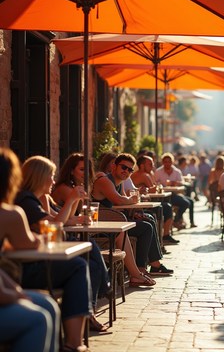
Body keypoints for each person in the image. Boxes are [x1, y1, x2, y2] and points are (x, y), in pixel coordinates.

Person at [51, 154, 154, 315]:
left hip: (78, 233)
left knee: (146, 225)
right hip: (66, 238)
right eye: (81, 169)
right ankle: (115, 283)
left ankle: (131, 274)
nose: (126, 171)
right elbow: (64, 219)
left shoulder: (77, 188)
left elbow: (74, 215)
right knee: (129, 232)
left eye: (129, 169)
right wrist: (76, 204)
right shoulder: (67, 189)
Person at [14, 155, 91, 352]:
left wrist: (73, 201)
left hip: (22, 266)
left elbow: (57, 224)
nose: (54, 181)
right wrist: (72, 199)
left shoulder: (31, 200)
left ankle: (79, 330)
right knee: (79, 265)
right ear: (40, 177)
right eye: (51, 176)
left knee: (84, 259)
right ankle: (74, 341)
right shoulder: (25, 200)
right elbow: (56, 226)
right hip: (20, 270)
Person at [0, 147, 60, 352]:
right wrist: (13, 295)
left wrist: (14, 292)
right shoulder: (10, 213)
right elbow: (33, 239)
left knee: (49, 304)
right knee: (39, 319)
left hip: (6, 281)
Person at [92, 153, 173, 275]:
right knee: (146, 227)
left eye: (130, 170)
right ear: (114, 166)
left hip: (113, 223)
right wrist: (132, 199)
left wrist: (134, 211)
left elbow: (123, 201)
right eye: (123, 167)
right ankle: (141, 269)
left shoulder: (118, 183)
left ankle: (151, 265)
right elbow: (119, 200)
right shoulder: (105, 181)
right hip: (100, 227)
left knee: (148, 220)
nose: (126, 171)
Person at [131, 155, 178, 245]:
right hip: (140, 207)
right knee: (166, 207)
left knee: (165, 206)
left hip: (143, 204)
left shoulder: (148, 174)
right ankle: (164, 236)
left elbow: (154, 186)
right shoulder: (143, 175)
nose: (152, 166)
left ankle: (164, 236)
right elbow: (153, 188)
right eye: (150, 164)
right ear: (142, 166)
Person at [155, 153, 196, 229]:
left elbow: (182, 183)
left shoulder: (177, 171)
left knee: (188, 202)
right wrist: (161, 186)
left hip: (174, 194)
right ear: (162, 162)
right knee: (185, 202)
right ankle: (176, 221)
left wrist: (176, 183)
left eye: (169, 161)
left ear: (172, 162)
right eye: (165, 162)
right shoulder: (158, 171)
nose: (167, 163)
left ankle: (177, 220)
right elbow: (155, 183)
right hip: (163, 196)